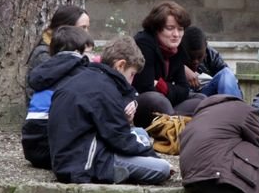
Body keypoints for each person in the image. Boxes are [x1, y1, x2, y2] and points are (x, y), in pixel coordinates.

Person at [49, 36, 171, 185]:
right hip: (84, 163)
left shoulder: (88, 78)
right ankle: (111, 173)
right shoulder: (105, 90)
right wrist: (152, 156)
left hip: (72, 153)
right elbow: (120, 138)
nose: (132, 81)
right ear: (120, 65)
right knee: (161, 168)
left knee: (140, 133)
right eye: (132, 74)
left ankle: (120, 169)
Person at [20, 26, 92, 169]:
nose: (91, 58)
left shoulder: (46, 72)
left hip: (32, 148)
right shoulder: (80, 74)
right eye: (89, 53)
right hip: (57, 152)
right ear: (78, 52)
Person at [131, 1, 204, 128]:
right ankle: (174, 132)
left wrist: (161, 85)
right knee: (157, 100)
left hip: (167, 101)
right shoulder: (144, 43)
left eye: (180, 29)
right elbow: (146, 87)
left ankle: (174, 121)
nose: (176, 34)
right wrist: (169, 89)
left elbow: (184, 89)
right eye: (170, 28)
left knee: (203, 100)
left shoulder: (176, 48)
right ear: (157, 28)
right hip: (141, 104)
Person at [26, 5, 90, 99]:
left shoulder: (72, 52)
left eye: (87, 27)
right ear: (66, 27)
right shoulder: (44, 54)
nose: (86, 33)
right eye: (82, 27)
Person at [180, 26, 243, 99]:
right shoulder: (174, 56)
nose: (195, 61)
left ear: (206, 47)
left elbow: (233, 84)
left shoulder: (212, 56)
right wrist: (181, 68)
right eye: (190, 57)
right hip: (187, 99)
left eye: (200, 57)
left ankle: (233, 107)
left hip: (209, 95)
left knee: (226, 73)